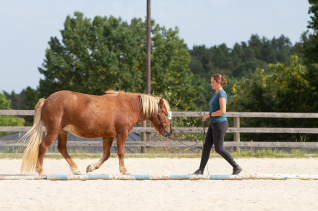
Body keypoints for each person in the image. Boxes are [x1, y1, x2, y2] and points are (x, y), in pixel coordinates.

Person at [191, 74, 242, 175]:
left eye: (212, 82)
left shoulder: (221, 94)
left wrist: (209, 115)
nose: (211, 84)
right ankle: (200, 170)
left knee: (219, 148)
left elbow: (222, 110)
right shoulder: (216, 93)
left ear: (218, 82)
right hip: (214, 123)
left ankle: (236, 166)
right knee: (206, 147)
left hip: (220, 124)